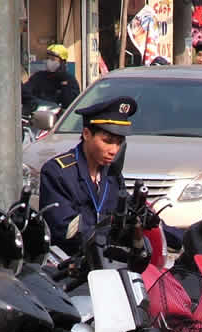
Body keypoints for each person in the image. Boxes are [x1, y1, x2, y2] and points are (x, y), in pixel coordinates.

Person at [39, 96, 137, 255]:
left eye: (119, 143)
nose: (114, 150)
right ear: (86, 134)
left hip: (105, 263)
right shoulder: (58, 172)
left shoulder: (112, 175)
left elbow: (127, 209)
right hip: (70, 265)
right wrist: (109, 239)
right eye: (107, 141)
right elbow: (66, 229)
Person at [23, 44, 80, 110]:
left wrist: (64, 83)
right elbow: (25, 92)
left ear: (62, 62)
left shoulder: (69, 80)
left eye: (53, 59)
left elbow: (70, 104)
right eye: (48, 58)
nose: (49, 61)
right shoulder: (39, 77)